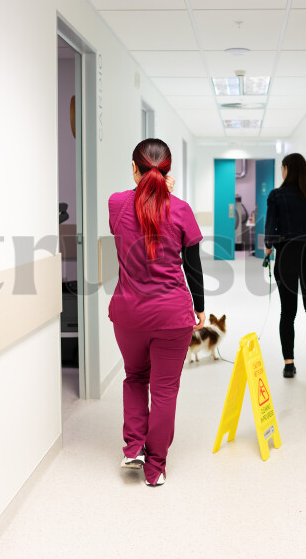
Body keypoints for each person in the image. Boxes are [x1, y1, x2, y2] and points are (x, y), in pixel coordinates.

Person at [108, 138, 206, 487]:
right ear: (169, 172)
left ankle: (133, 447)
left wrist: (151, 187)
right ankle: (156, 468)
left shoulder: (117, 204)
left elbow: (133, 212)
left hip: (129, 315)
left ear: (134, 168)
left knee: (135, 378)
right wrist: (201, 307)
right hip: (172, 317)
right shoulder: (180, 210)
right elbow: (192, 266)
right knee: (165, 390)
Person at [264, 153, 306, 378]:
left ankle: (289, 364)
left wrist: (268, 247)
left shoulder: (276, 195)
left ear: (286, 169)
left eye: (282, 168)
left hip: (285, 256)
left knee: (287, 312)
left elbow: (271, 225)